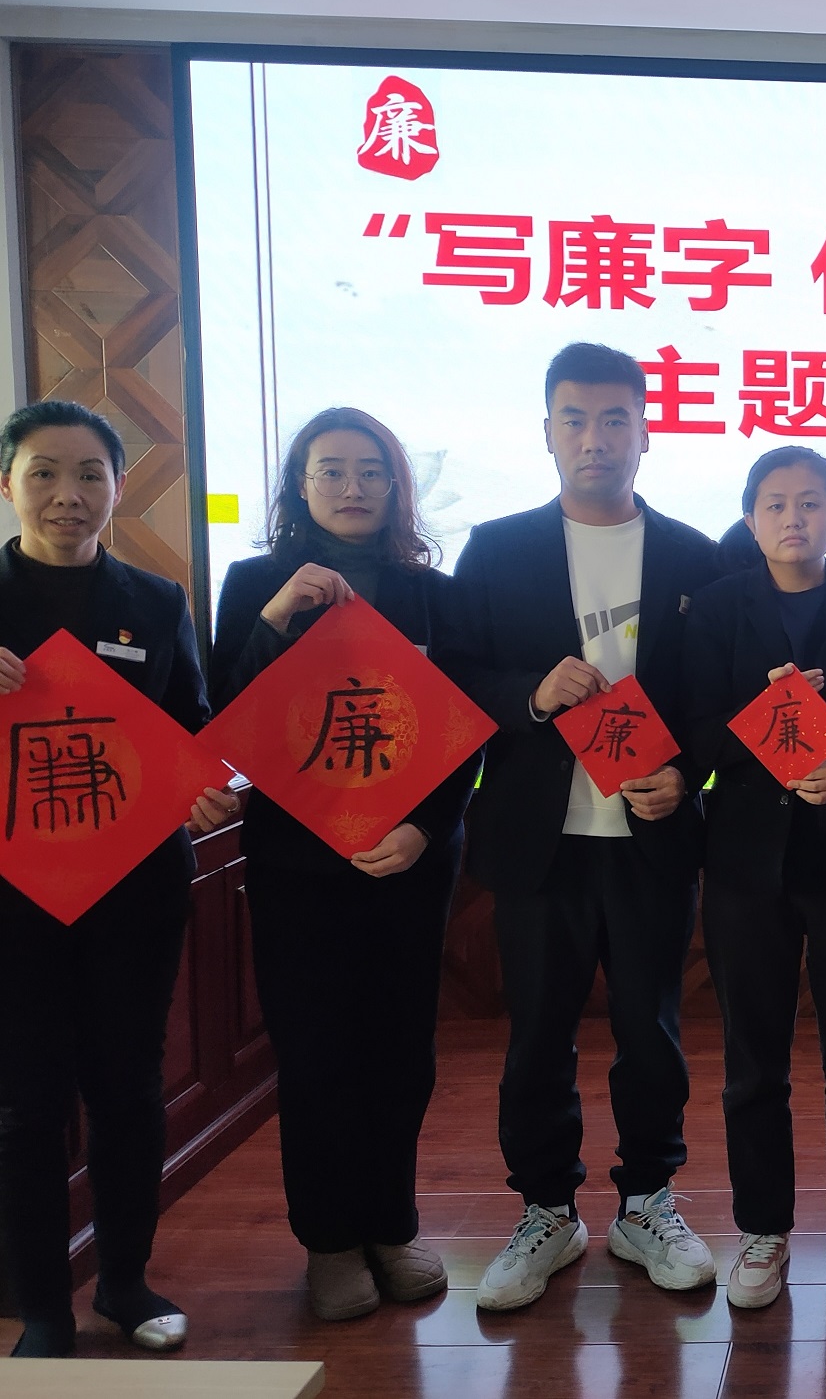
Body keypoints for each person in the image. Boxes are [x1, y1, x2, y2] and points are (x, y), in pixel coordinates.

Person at [436, 343, 721, 1312]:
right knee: (537, 1036)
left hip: (651, 836)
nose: (594, 438)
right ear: (548, 433)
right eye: (574, 420)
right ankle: (545, 1211)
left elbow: (716, 695)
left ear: (645, 432)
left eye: (613, 420)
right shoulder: (497, 549)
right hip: (538, 841)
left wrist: (684, 772)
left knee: (651, 1033)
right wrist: (529, 693)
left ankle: (647, 1203)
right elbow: (453, 679)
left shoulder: (695, 555)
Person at [209, 407, 477, 1323]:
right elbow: (226, 716)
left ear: (397, 486)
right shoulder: (256, 583)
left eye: (371, 471)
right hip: (297, 865)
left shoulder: (432, 593)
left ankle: (392, 1225)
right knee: (316, 1052)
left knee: (400, 1052)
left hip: (408, 862)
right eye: (331, 471)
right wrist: (277, 618)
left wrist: (429, 830)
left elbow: (464, 732)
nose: (353, 487)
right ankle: (328, 1240)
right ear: (300, 485)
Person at [0, 401, 238, 1358]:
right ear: (9, 484)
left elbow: (192, 728)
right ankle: (42, 1307)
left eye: (90, 473)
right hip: (13, 900)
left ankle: (126, 1282)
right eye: (44, 473)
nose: (69, 494)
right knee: (24, 1103)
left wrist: (205, 786)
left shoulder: (156, 598)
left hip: (134, 892)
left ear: (119, 486)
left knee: (129, 1090)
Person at [683, 446, 826, 1310]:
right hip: (747, 861)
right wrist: (765, 717)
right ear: (750, 519)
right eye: (775, 504)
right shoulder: (716, 609)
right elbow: (693, 732)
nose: (793, 518)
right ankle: (762, 1228)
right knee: (753, 1060)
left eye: (811, 503)